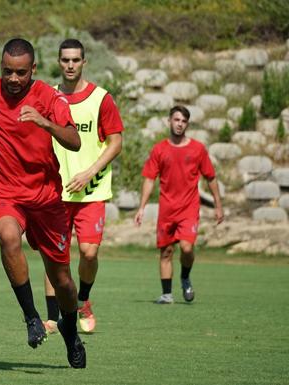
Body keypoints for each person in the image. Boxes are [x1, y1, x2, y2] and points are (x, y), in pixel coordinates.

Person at [0, 38, 86, 368]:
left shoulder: (50, 98)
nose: (13, 79)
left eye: (21, 73)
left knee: (64, 281)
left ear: (33, 70)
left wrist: (45, 123)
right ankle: (31, 317)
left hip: (46, 198)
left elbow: (75, 141)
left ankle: (70, 330)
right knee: (9, 238)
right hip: (3, 193)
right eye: (7, 71)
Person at [43, 38, 124, 334]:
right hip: (55, 194)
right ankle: (52, 318)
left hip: (91, 194)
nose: (70, 65)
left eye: (75, 60)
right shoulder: (48, 97)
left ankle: (83, 301)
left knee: (89, 254)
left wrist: (90, 172)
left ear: (84, 62)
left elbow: (116, 142)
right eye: (65, 60)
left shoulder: (101, 98)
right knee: (54, 256)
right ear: (58, 62)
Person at [134, 105, 223, 304]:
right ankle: (167, 294)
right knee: (166, 251)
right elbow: (149, 179)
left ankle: (184, 276)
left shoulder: (198, 149)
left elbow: (211, 177)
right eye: (176, 120)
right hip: (167, 209)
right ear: (169, 121)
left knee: (187, 247)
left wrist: (218, 205)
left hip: (189, 208)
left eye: (183, 121)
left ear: (187, 124)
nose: (179, 124)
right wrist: (142, 207)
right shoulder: (159, 149)